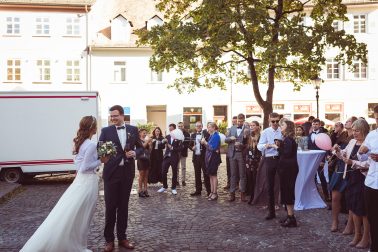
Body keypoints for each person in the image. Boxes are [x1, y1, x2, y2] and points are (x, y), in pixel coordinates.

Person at [21, 116, 109, 252]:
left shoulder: (81, 142)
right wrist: (102, 160)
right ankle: (77, 245)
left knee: (71, 214)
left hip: (80, 182)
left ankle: (73, 242)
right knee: (82, 217)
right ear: (93, 128)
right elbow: (84, 167)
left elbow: (78, 164)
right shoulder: (91, 144)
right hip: (87, 182)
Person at [100, 105, 143, 251]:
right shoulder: (105, 131)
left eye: (115, 116)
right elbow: (101, 153)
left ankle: (122, 237)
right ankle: (109, 240)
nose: (112, 118)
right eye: (111, 116)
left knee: (123, 206)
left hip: (127, 173)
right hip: (111, 174)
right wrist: (115, 156)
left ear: (122, 115)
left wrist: (135, 153)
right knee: (110, 207)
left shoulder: (132, 130)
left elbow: (141, 147)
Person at [334, 119, 371, 248]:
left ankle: (366, 237)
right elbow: (344, 156)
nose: (354, 133)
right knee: (353, 207)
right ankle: (357, 235)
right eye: (353, 130)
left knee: (363, 209)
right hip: (351, 177)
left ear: (364, 130)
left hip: (364, 178)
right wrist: (338, 151)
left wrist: (352, 163)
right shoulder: (352, 141)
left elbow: (369, 164)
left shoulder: (369, 143)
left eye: (357, 131)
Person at [359, 105, 378, 252]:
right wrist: (362, 152)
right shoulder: (372, 135)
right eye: (377, 119)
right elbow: (362, 155)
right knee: (372, 217)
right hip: (371, 181)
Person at [257, 112, 282, 220]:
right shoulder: (265, 132)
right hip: (269, 159)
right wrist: (266, 146)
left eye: (277, 121)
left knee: (283, 184)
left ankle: (288, 211)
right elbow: (259, 146)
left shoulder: (282, 130)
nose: (275, 123)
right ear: (269, 120)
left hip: (281, 159)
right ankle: (271, 211)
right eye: (273, 121)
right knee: (270, 185)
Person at [276, 120, 299, 227]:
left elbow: (287, 153)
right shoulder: (287, 139)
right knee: (286, 191)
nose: (280, 126)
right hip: (287, 168)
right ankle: (289, 216)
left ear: (288, 127)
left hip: (288, 169)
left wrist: (277, 147)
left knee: (288, 192)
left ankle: (291, 218)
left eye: (282, 124)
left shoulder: (289, 139)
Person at [225, 113, 249, 202]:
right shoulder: (232, 128)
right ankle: (232, 194)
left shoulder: (247, 129)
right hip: (232, 154)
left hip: (241, 154)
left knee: (242, 174)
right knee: (233, 174)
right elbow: (225, 140)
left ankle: (243, 194)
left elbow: (248, 143)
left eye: (241, 121)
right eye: (238, 121)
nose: (239, 123)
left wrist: (242, 143)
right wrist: (230, 138)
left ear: (244, 121)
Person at [307, 118, 329, 201]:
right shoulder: (309, 135)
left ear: (319, 125)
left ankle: (326, 195)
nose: (315, 125)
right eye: (313, 124)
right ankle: (314, 194)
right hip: (311, 159)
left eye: (316, 124)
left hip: (320, 159)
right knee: (312, 177)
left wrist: (323, 161)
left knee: (322, 177)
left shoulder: (324, 135)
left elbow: (326, 147)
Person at [158, 123, 183, 195]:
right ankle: (164, 186)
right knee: (163, 171)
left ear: (174, 129)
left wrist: (171, 147)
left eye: (171, 129)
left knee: (174, 172)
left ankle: (173, 188)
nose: (170, 130)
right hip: (166, 157)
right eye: (169, 129)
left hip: (174, 157)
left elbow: (180, 148)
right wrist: (162, 142)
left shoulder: (178, 137)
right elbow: (162, 146)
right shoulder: (167, 136)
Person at [189, 121, 211, 196]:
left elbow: (209, 145)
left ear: (202, 126)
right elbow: (189, 145)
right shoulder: (192, 135)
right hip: (196, 157)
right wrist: (192, 148)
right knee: (197, 174)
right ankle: (198, 190)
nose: (198, 127)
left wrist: (204, 143)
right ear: (195, 127)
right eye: (197, 126)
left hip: (204, 157)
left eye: (200, 126)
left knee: (206, 174)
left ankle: (209, 191)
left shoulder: (206, 134)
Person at [201, 122, 222, 201]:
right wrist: (204, 143)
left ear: (213, 128)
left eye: (210, 127)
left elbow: (213, 148)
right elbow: (208, 147)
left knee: (213, 175)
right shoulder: (211, 136)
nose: (208, 129)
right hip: (209, 157)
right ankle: (212, 192)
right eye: (208, 127)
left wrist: (205, 142)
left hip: (213, 158)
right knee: (210, 175)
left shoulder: (216, 136)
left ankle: (215, 193)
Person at [245, 121, 261, 204]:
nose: (251, 127)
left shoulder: (260, 136)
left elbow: (261, 149)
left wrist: (256, 142)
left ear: (258, 126)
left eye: (253, 125)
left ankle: (255, 197)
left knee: (256, 179)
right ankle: (251, 196)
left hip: (257, 161)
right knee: (250, 179)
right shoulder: (249, 136)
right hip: (249, 161)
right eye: (250, 125)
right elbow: (246, 148)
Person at [137, 128, 152, 197]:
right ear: (140, 133)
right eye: (143, 133)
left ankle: (145, 190)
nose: (145, 134)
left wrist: (150, 144)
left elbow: (150, 151)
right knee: (141, 175)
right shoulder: (138, 140)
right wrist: (147, 141)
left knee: (146, 175)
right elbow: (142, 147)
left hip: (147, 159)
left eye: (145, 133)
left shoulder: (146, 140)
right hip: (141, 159)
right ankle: (140, 190)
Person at [224, 116, 238, 190]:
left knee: (236, 170)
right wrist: (230, 138)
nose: (234, 123)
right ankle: (229, 183)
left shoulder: (240, 129)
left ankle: (236, 184)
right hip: (229, 152)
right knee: (229, 169)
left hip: (238, 152)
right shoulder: (230, 129)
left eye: (235, 121)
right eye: (233, 122)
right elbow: (226, 139)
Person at [177, 122, 190, 186]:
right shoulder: (175, 133)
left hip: (183, 152)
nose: (180, 127)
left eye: (181, 126)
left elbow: (188, 143)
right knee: (176, 167)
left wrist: (182, 146)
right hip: (176, 152)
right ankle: (176, 180)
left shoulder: (187, 134)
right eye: (179, 126)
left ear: (183, 126)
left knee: (183, 167)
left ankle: (183, 180)